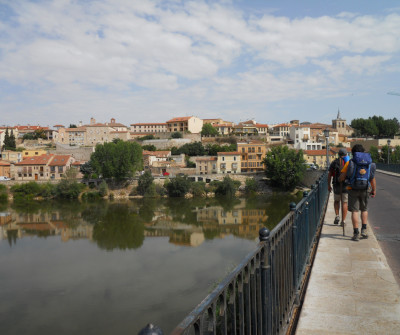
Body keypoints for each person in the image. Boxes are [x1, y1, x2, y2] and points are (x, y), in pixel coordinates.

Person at [340, 144, 376, 241]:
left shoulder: (351, 162)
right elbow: (372, 179)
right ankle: (364, 230)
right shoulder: (370, 163)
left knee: (355, 211)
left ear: (353, 153)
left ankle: (356, 233)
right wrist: (374, 190)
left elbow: (342, 177)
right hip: (365, 188)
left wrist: (340, 179)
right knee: (364, 209)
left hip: (353, 189)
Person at [328, 148, 349, 226]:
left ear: (338, 154)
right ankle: (343, 221)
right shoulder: (348, 163)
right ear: (346, 155)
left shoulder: (334, 162)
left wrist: (328, 185)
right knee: (344, 202)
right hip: (346, 185)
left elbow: (329, 175)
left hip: (336, 184)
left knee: (337, 201)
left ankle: (337, 216)